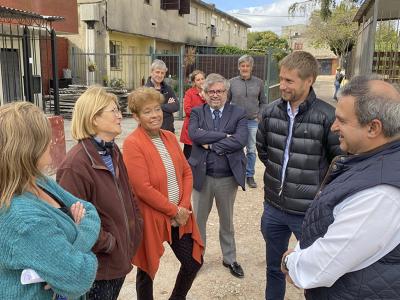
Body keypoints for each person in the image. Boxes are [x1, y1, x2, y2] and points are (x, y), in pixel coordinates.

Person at [282, 75, 400, 299]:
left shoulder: (381, 194)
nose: (334, 127)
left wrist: (290, 261)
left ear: (373, 128)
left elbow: (322, 265)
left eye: (342, 121)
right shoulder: (372, 161)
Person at [256, 51, 342, 300]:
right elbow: (264, 151)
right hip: (273, 208)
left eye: (289, 81)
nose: (282, 86)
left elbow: (338, 161)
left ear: (309, 80)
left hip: (308, 212)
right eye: (281, 79)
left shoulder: (328, 116)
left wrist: (319, 193)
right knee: (274, 268)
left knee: (314, 273)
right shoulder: (271, 112)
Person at [0, 102, 100, 299]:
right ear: (29, 148)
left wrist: (64, 258)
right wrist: (67, 263)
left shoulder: (38, 180)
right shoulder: (24, 220)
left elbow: (90, 211)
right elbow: (79, 276)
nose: (52, 142)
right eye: (46, 138)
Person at [57, 86, 143, 300]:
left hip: (119, 258)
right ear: (94, 118)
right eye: (113, 111)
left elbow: (128, 195)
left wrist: (136, 227)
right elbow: (72, 222)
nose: (120, 115)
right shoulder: (75, 165)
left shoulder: (112, 150)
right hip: (99, 268)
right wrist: (109, 244)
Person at [123, 87, 203, 300]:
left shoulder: (168, 136)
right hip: (152, 217)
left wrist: (183, 207)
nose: (155, 115)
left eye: (157, 109)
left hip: (180, 214)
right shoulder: (132, 143)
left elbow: (186, 171)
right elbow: (142, 188)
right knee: (147, 269)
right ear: (136, 116)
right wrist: (173, 210)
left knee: (194, 262)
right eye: (147, 111)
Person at [189, 73, 248, 278]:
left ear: (226, 93)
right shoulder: (197, 112)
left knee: (227, 221)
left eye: (220, 91)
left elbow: (240, 140)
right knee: (198, 222)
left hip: (227, 178)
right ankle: (196, 259)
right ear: (204, 94)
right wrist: (224, 136)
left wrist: (210, 143)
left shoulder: (238, 113)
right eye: (211, 91)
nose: (215, 95)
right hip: (202, 177)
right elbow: (194, 134)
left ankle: (230, 258)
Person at [228, 54, 267, 188]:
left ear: (251, 67)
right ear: (239, 67)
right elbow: (226, 102)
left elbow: (263, 102)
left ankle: (249, 175)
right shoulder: (232, 82)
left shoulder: (259, 83)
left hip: (252, 122)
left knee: (251, 150)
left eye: (247, 66)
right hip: (235, 122)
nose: (245, 68)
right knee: (235, 148)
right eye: (242, 65)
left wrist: (259, 116)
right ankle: (236, 174)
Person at [145, 59, 179, 133]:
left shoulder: (168, 88)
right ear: (151, 72)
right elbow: (148, 110)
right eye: (157, 72)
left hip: (169, 130)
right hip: (152, 132)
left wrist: (159, 106)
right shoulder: (145, 90)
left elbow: (176, 106)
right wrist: (168, 107)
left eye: (162, 73)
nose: (160, 75)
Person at [180, 70, 206, 159]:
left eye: (202, 79)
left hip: (204, 127)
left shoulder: (208, 93)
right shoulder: (189, 93)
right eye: (198, 80)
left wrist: (205, 98)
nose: (201, 81)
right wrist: (201, 114)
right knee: (188, 155)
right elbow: (187, 110)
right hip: (190, 127)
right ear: (194, 82)